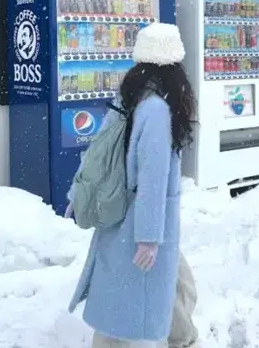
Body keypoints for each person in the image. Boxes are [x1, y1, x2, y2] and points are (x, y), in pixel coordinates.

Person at [67, 22, 197, 348]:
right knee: (129, 295)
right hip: (139, 217)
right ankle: (182, 339)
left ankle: (182, 337)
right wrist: (149, 237)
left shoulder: (131, 96)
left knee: (168, 279)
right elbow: (153, 179)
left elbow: (99, 154)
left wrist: (81, 192)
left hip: (121, 209)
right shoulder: (157, 108)